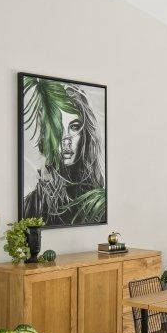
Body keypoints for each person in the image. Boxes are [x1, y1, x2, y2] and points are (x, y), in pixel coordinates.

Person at [22, 80, 105, 225]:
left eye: (74, 127)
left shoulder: (99, 203)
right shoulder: (31, 205)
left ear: (85, 133)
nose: (66, 140)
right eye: (57, 128)